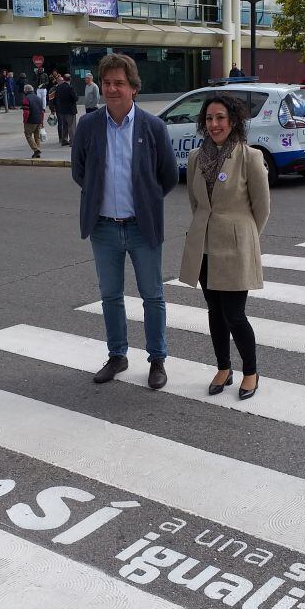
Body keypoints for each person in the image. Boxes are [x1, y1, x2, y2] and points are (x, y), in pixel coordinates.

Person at [71, 53, 177, 389]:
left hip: (141, 226)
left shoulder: (153, 127)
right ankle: (117, 355)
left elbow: (169, 176)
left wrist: (145, 200)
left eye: (119, 83)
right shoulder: (88, 126)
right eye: (107, 83)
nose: (112, 89)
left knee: (152, 295)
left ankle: (157, 359)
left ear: (133, 87)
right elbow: (80, 173)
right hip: (103, 227)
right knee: (111, 295)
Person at [178, 93, 270, 401]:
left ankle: (251, 371)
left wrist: (242, 238)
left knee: (235, 314)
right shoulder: (195, 158)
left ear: (233, 121)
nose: (214, 124)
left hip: (235, 246)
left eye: (220, 118)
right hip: (204, 245)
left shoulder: (249, 157)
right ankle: (223, 367)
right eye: (209, 118)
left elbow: (262, 208)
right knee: (214, 312)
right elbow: (195, 203)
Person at [21, 84, 44, 158]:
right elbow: (42, 111)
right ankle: (37, 151)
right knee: (37, 137)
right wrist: (42, 121)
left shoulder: (26, 99)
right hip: (38, 120)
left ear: (26, 90)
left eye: (24, 90)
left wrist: (25, 121)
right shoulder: (38, 98)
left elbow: (26, 112)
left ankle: (36, 149)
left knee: (28, 135)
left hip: (30, 120)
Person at [55, 74, 78, 146]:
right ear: (70, 79)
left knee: (64, 125)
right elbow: (75, 98)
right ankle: (72, 141)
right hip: (70, 110)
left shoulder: (59, 87)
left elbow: (57, 98)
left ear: (64, 79)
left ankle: (64, 140)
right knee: (71, 126)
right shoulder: (70, 88)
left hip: (62, 109)